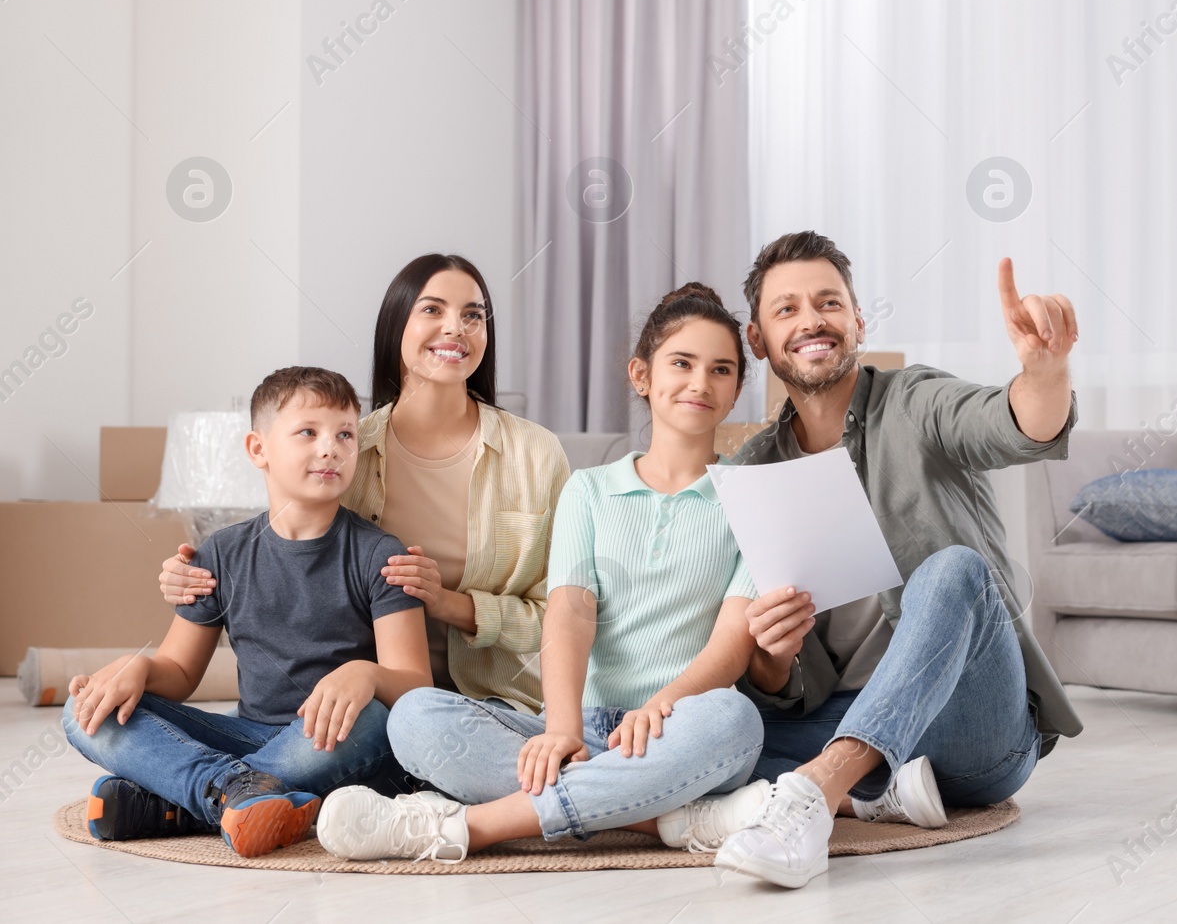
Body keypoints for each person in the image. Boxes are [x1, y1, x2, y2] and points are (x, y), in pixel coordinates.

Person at [315, 284, 770, 862]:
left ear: (735, 392)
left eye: (721, 370)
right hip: (582, 729)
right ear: (641, 375)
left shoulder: (752, 502)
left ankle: (464, 828)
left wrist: (663, 707)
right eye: (681, 363)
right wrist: (561, 729)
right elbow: (571, 612)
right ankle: (664, 818)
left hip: (682, 731)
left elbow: (733, 643)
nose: (700, 383)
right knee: (415, 717)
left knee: (736, 719)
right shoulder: (589, 489)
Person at [713, 231, 1081, 888]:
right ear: (758, 339)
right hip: (842, 715)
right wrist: (770, 659)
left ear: (857, 319)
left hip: (970, 732)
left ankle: (815, 796)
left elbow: (1016, 423)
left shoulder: (916, 402)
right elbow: (782, 679)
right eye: (787, 309)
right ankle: (870, 795)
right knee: (714, 726)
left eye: (829, 302)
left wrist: (1044, 375)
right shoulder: (753, 469)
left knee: (956, 570)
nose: (812, 320)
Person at [158, 254, 569, 716]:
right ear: (396, 327)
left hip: (493, 702)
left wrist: (448, 604)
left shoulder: (536, 455)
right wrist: (196, 578)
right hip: (369, 708)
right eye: (433, 310)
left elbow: (564, 613)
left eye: (473, 315)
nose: (457, 328)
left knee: (430, 731)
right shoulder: (346, 449)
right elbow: (293, 562)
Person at [62, 367, 431, 858]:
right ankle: (236, 791)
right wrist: (139, 667)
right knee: (85, 711)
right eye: (308, 432)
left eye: (345, 434)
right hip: (245, 734)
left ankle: (186, 803)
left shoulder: (378, 554)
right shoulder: (222, 553)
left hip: (332, 738)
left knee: (371, 719)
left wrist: (365, 674)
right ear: (258, 449)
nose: (331, 448)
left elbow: (414, 682)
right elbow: (178, 673)